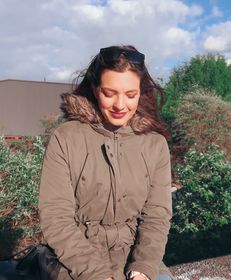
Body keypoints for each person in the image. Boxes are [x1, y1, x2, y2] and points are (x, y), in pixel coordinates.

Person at [38, 45, 173, 280]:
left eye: (131, 95)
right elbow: (55, 217)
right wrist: (95, 274)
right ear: (95, 89)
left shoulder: (156, 145)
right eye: (109, 93)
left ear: (141, 92)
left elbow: (157, 215)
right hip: (76, 261)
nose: (120, 105)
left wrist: (144, 267)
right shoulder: (66, 138)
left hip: (136, 257)